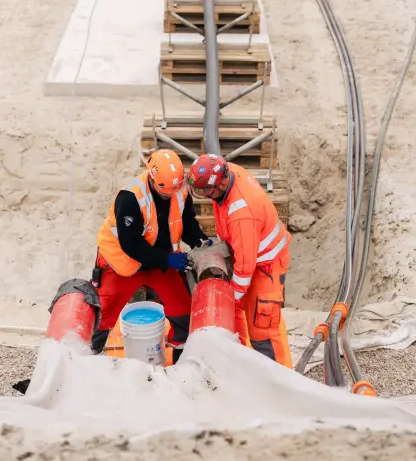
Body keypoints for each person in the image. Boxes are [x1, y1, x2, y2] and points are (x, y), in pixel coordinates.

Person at [93, 149, 207, 358]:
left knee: (182, 310)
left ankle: (182, 363)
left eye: (175, 190)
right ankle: (88, 358)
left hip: (160, 262)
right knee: (103, 313)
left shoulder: (179, 191)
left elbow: (188, 225)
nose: (170, 196)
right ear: (153, 181)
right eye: (165, 193)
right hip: (121, 261)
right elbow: (131, 244)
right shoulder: (130, 198)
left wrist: (201, 241)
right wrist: (166, 260)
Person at [187, 154, 292, 367]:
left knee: (263, 329)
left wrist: (229, 300)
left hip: (266, 266)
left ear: (222, 183)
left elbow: (245, 269)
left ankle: (280, 382)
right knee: (237, 317)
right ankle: (242, 366)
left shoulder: (242, 214)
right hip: (247, 252)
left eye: (206, 191)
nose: (204, 196)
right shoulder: (226, 175)